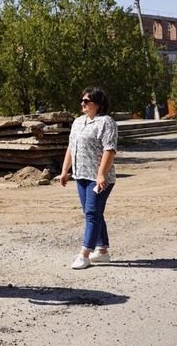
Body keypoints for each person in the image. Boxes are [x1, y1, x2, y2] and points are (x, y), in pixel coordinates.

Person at [58, 86, 118, 270]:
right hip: (80, 175)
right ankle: (102, 251)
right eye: (82, 100)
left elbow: (110, 149)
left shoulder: (106, 122)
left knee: (92, 213)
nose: (83, 104)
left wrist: (101, 174)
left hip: (99, 178)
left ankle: (84, 254)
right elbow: (71, 147)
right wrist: (64, 170)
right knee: (92, 213)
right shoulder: (77, 122)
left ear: (98, 104)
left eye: (87, 101)